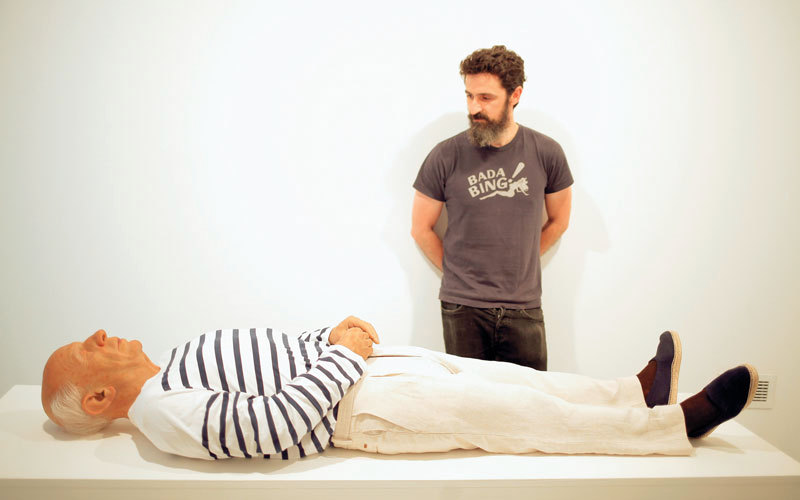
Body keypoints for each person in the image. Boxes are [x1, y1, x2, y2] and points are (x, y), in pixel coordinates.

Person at [41, 316, 758, 460]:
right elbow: (274, 425)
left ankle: (633, 393)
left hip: (368, 369)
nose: (101, 334)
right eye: (87, 350)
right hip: (362, 406)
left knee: (513, 379)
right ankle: (671, 427)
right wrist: (342, 356)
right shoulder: (162, 412)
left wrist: (332, 334)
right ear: (98, 400)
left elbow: (277, 362)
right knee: (515, 414)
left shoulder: (174, 365)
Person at [411, 45, 574, 371]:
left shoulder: (547, 153)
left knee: (530, 397)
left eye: (486, 98)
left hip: (524, 307)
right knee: (468, 399)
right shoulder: (445, 155)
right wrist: (459, 275)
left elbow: (559, 220)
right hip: (462, 308)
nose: (475, 107)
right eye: (469, 96)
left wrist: (521, 262)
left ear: (515, 95)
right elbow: (420, 228)